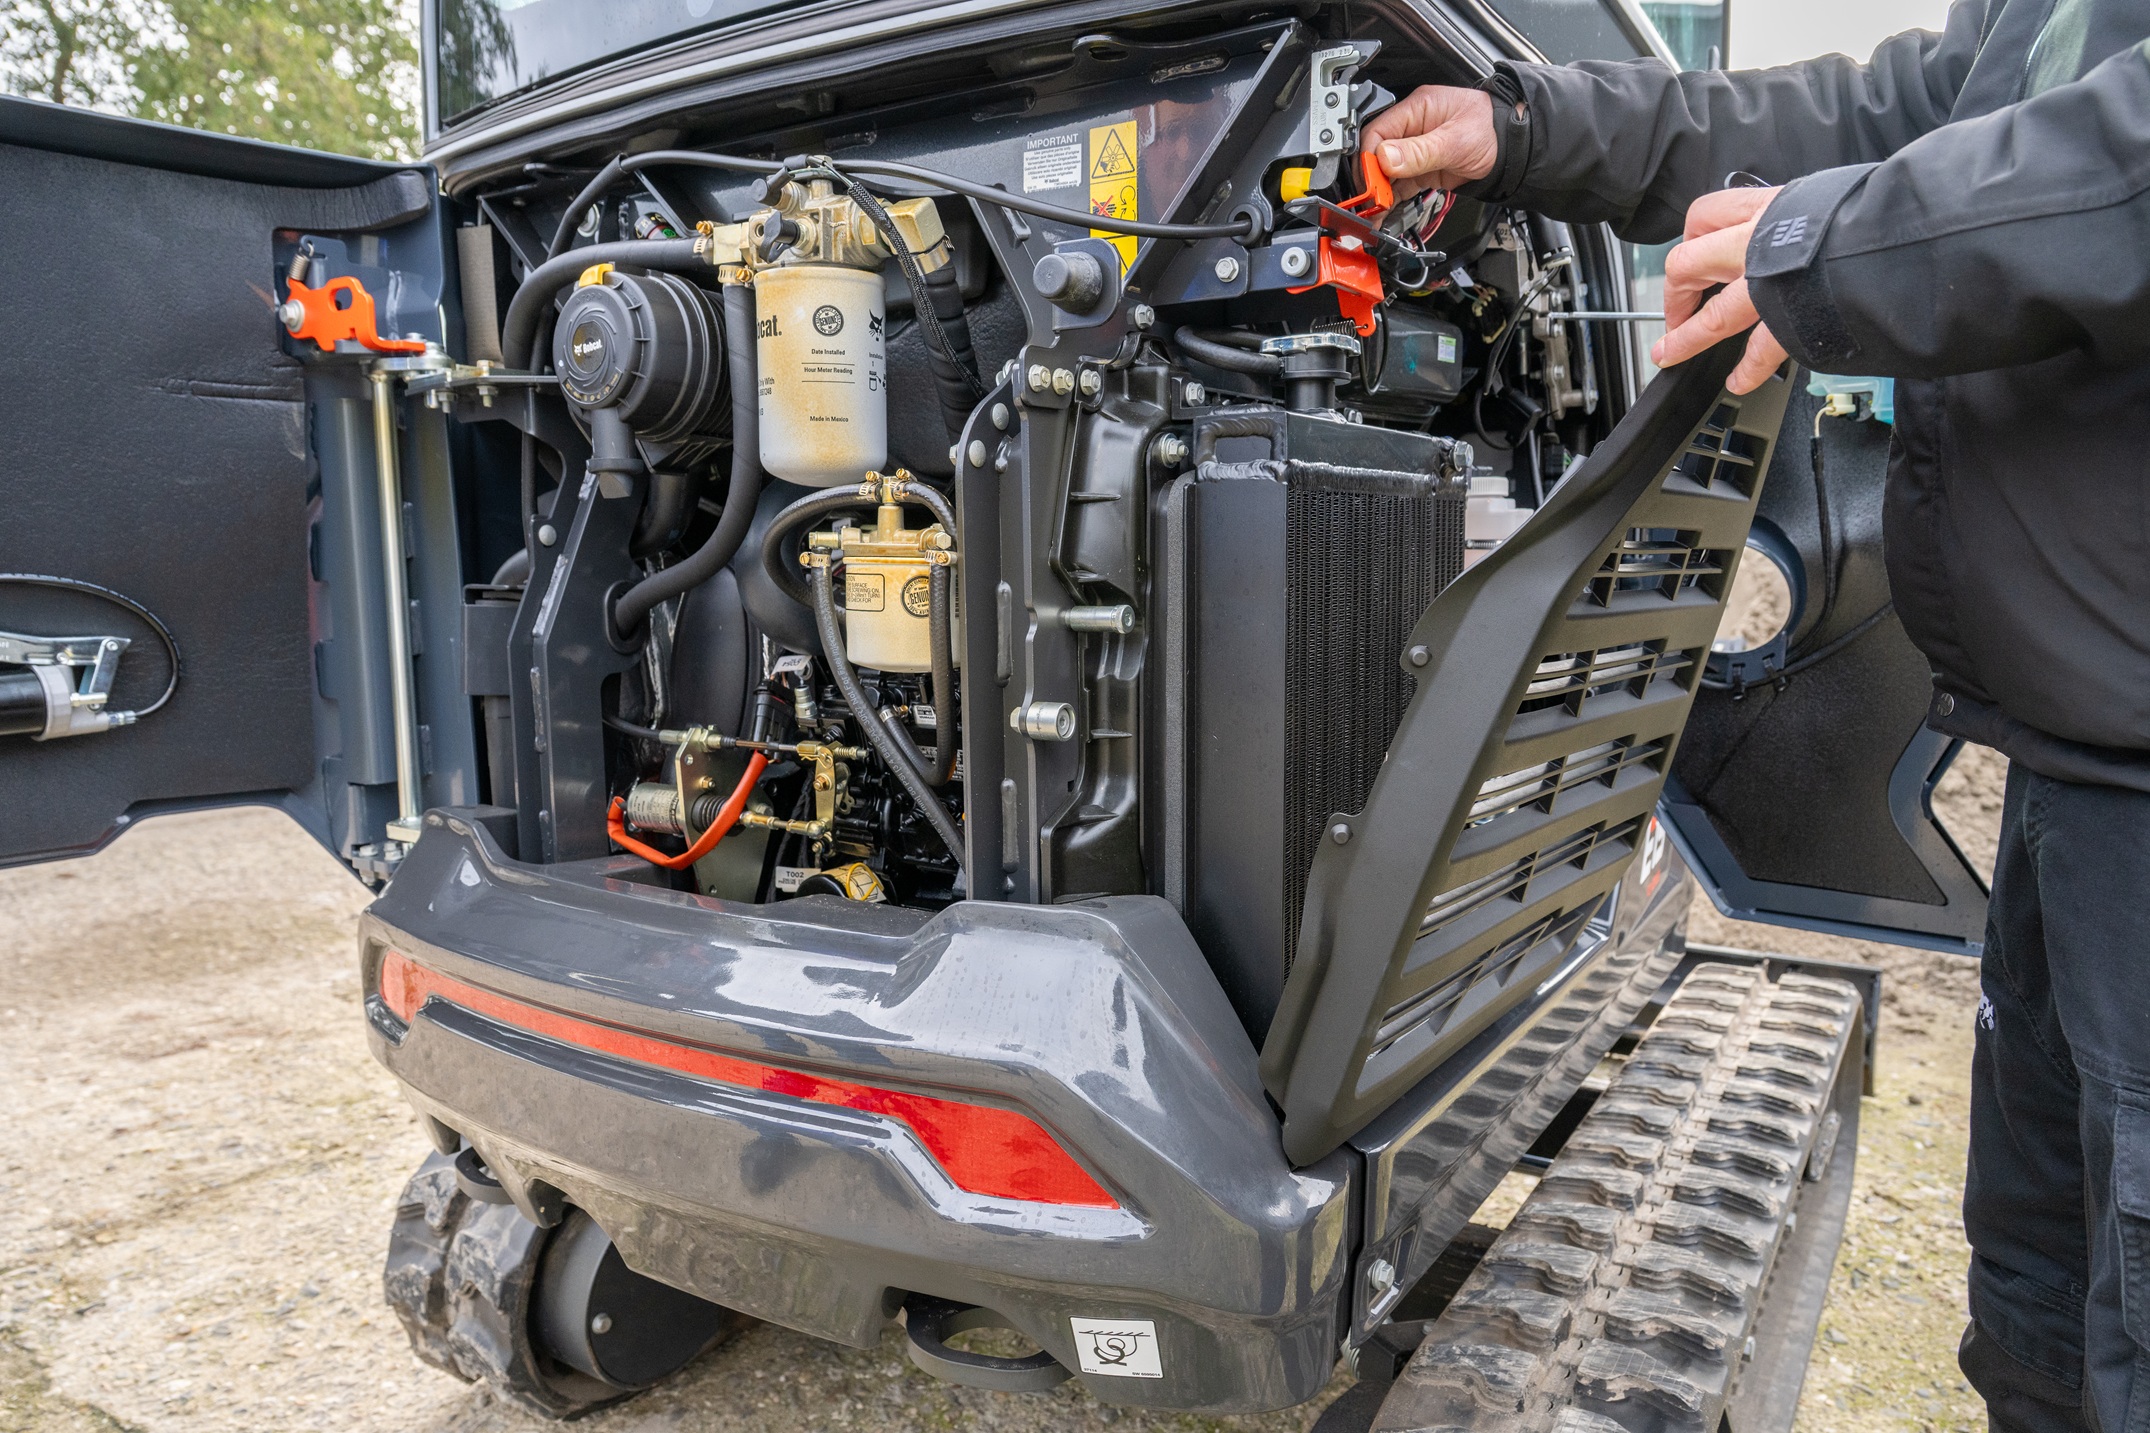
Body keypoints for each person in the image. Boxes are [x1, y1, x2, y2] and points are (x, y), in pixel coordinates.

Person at [1363, 7, 2150, 1430]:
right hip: (2074, 744)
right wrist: (1523, 128)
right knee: (2043, 1290)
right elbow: (1895, 109)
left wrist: (1828, 249)